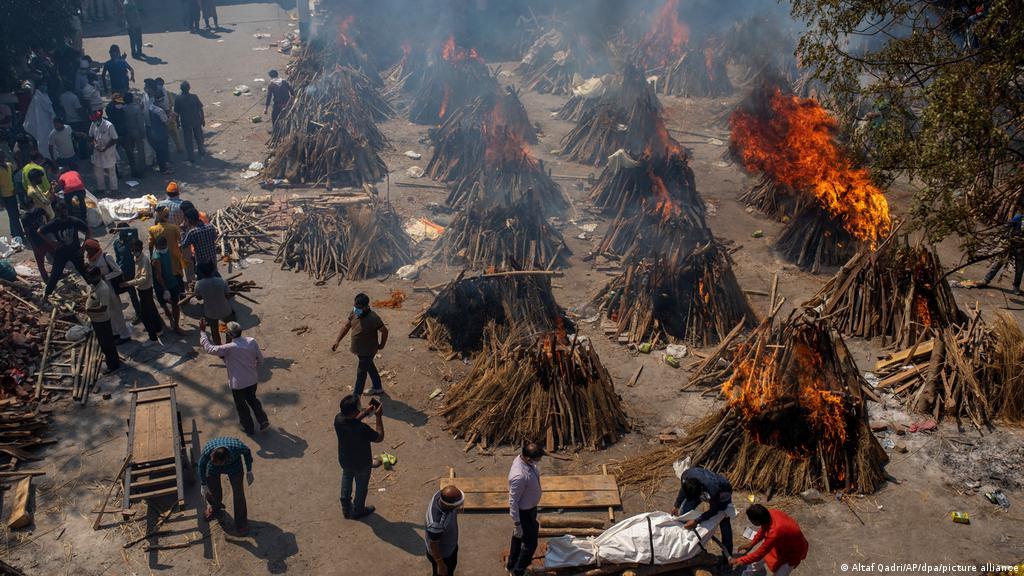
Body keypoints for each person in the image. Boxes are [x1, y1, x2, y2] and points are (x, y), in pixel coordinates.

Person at [198, 317, 268, 434]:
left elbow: (209, 348)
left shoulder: (228, 348)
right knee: (252, 399)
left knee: (242, 407)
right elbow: (260, 360)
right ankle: (263, 420)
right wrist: (251, 368)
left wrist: (202, 332)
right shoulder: (251, 341)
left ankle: (248, 428)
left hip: (238, 385)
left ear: (230, 335)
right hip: (252, 380)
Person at [334, 394, 384, 520]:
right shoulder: (362, 429)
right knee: (361, 487)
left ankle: (346, 507)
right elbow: (379, 437)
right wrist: (378, 417)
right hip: (362, 463)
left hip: (345, 459)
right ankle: (358, 510)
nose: (361, 407)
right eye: (359, 406)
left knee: (347, 477)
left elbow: (352, 421)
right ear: (354, 411)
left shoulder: (338, 419)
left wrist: (365, 413)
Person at [331, 293, 389, 396]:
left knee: (361, 373)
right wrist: (337, 340)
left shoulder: (373, 318)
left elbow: (384, 331)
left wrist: (382, 344)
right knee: (370, 366)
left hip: (368, 351)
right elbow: (346, 326)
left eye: (359, 308)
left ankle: (355, 398)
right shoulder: (354, 312)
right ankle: (377, 388)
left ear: (366, 307)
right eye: (355, 306)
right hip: (359, 350)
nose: (356, 309)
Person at [671, 466, 734, 557]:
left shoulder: (713, 489)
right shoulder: (686, 476)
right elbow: (683, 490)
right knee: (685, 512)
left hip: (723, 492)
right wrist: (676, 505)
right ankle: (683, 544)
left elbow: (714, 510)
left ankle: (727, 556)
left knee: (724, 520)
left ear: (701, 491)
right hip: (702, 489)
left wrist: (697, 520)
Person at [198, 437, 254, 535]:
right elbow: (201, 466)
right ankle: (215, 507)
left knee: (238, 493)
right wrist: (203, 484)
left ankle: (241, 523)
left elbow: (247, 452)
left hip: (234, 467)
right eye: (212, 459)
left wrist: (249, 470)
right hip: (213, 469)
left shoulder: (238, 448)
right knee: (211, 489)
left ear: (226, 459)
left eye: (218, 462)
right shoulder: (208, 450)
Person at [731, 505, 809, 575]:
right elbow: (763, 528)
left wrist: (740, 560)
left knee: (780, 574)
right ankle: (747, 574)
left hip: (794, 551)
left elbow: (759, 554)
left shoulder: (774, 533)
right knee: (757, 562)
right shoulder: (771, 513)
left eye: (751, 520)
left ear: (757, 522)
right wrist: (752, 543)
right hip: (781, 544)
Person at [84, 239, 132, 343]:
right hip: (100, 288)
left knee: (117, 312)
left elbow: (118, 271)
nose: (88, 252)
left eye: (89, 249)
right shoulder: (90, 259)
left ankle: (124, 335)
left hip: (110, 287)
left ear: (95, 248)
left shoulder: (106, 257)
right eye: (87, 250)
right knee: (108, 312)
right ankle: (115, 333)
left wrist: (105, 277)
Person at [507, 442, 543, 576]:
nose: (539, 461)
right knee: (530, 544)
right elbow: (513, 501)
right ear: (528, 459)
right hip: (524, 513)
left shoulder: (524, 461)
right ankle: (518, 571)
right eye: (538, 459)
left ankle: (511, 563)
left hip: (529, 509)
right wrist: (517, 523)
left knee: (518, 536)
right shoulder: (519, 476)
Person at [40, 202, 91, 296]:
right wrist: (53, 243)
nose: (64, 216)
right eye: (61, 214)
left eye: (65, 212)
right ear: (57, 213)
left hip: (75, 251)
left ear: (67, 211)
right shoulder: (53, 223)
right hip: (61, 253)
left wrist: (83, 247)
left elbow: (88, 230)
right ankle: (47, 295)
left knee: (83, 271)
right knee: (55, 275)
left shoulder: (73, 221)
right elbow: (40, 231)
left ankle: (96, 290)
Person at [123, 239, 163, 342]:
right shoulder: (137, 258)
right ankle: (158, 329)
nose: (134, 251)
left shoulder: (144, 260)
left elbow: (144, 278)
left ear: (141, 248)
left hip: (145, 289)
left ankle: (153, 337)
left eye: (136, 249)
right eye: (132, 250)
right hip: (142, 290)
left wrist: (129, 283)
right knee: (153, 310)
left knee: (145, 315)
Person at [84, 267, 122, 373]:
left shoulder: (103, 289)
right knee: (104, 342)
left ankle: (113, 365)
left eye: (91, 277)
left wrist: (89, 310)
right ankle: (113, 360)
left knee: (107, 343)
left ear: (98, 276)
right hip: (96, 320)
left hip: (102, 320)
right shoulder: (94, 286)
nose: (89, 278)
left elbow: (103, 307)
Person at [978, 213, 1024, 295]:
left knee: (1020, 269)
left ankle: (1016, 286)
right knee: (999, 262)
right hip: (1011, 244)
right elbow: (1007, 226)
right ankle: (986, 280)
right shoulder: (1019, 217)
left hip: (1021, 248)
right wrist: (1008, 236)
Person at [425, 486, 464, 576]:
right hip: (443, 555)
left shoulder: (439, 495)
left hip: (450, 546)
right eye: (459, 503)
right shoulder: (437, 524)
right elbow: (433, 545)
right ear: (450, 505)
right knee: (444, 573)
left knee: (452, 566)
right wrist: (441, 565)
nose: (461, 504)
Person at [111, 223, 143, 321]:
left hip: (135, 270)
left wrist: (119, 228)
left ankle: (146, 311)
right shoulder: (116, 243)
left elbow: (134, 229)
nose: (123, 234)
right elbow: (117, 258)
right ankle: (139, 313)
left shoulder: (132, 240)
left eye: (124, 231)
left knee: (142, 291)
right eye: (121, 232)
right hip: (124, 271)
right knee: (132, 294)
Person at [151, 235, 184, 332]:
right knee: (163, 302)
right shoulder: (156, 258)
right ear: (156, 247)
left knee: (175, 304)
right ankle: (166, 311)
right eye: (161, 247)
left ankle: (176, 326)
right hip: (162, 285)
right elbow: (158, 276)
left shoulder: (168, 251)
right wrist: (165, 289)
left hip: (172, 281)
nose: (164, 249)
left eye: (164, 246)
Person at [195, 262, 233, 344]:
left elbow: (198, 298)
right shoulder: (222, 281)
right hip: (225, 309)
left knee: (214, 330)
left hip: (210, 312)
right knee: (229, 328)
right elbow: (228, 295)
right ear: (213, 270)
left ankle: (220, 350)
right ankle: (228, 346)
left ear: (201, 272)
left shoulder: (198, 284)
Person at [180, 203, 217, 274]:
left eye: (186, 219)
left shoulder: (192, 232)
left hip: (202, 263)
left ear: (189, 220)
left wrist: (183, 231)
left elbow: (184, 245)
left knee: (204, 280)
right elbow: (214, 238)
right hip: (213, 259)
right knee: (214, 275)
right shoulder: (211, 227)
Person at [88, 110, 119, 195]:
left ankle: (114, 189)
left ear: (100, 118)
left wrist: (105, 148)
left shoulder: (109, 125)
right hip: (97, 151)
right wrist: (95, 144)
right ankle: (101, 188)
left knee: (111, 171)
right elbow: (91, 136)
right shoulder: (93, 124)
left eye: (95, 120)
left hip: (108, 151)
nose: (94, 122)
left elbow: (115, 138)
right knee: (98, 171)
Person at [174, 81, 205, 163]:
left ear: (181, 89)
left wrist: (177, 123)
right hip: (196, 120)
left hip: (186, 122)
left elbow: (176, 113)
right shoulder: (194, 97)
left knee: (188, 140)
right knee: (199, 136)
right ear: (189, 88)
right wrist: (203, 119)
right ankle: (201, 150)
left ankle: (191, 157)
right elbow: (200, 109)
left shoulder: (178, 99)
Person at [22, 207, 53, 282]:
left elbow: (27, 233)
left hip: (37, 242)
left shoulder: (24, 218)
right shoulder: (39, 209)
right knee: (55, 256)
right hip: (45, 239)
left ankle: (46, 279)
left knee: (40, 263)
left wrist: (34, 246)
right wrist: (48, 225)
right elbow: (48, 215)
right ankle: (55, 274)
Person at [121, 92, 146, 177]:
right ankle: (142, 170)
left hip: (127, 131)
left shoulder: (123, 109)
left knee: (130, 152)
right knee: (140, 151)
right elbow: (140, 122)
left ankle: (133, 169)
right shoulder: (136, 108)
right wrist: (142, 132)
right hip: (136, 131)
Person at [146, 95, 172, 174]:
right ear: (160, 101)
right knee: (163, 151)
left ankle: (163, 167)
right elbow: (166, 123)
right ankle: (164, 169)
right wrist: (172, 117)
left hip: (154, 132)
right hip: (162, 133)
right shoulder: (160, 111)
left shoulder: (151, 107)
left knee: (159, 151)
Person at [157, 79, 184, 153]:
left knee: (169, 134)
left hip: (164, 118)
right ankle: (179, 148)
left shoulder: (155, 95)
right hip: (169, 116)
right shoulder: (166, 93)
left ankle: (170, 150)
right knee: (174, 133)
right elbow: (172, 104)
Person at [0, 150, 22, 239]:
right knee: (14, 215)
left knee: (14, 214)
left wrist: (15, 187)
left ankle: (15, 232)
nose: (1, 157)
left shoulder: (9, 165)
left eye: (2, 155)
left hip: (12, 192)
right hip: (5, 196)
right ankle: (18, 234)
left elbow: (12, 177)